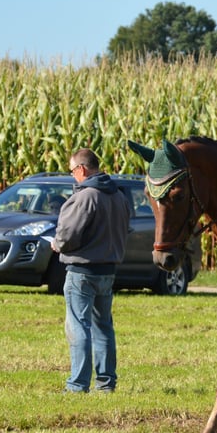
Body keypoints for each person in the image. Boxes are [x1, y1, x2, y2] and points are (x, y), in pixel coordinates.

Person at [51, 148, 131, 393]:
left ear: (82, 169)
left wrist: (57, 244)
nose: (72, 176)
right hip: (108, 271)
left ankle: (77, 385)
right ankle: (106, 383)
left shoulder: (86, 197)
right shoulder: (118, 196)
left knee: (78, 326)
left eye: (72, 170)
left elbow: (68, 235)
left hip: (81, 271)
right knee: (103, 327)